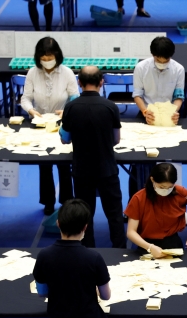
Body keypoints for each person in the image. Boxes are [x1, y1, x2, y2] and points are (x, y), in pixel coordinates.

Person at [121, 163, 187, 318]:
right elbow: (131, 232)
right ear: (152, 180)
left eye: (169, 186)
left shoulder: (179, 193)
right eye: (161, 186)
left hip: (172, 248)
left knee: (170, 304)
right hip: (145, 249)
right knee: (140, 302)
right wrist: (150, 247)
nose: (165, 190)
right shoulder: (139, 198)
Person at [60, 66, 127, 248]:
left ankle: (87, 249)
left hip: (82, 170)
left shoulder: (71, 107)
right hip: (107, 169)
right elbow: (116, 139)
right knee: (114, 214)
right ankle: (120, 249)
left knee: (84, 214)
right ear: (101, 82)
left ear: (79, 83)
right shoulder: (110, 106)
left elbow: (64, 139)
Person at [19, 37, 78, 215]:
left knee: (64, 164)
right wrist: (31, 111)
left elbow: (75, 97)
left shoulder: (67, 73)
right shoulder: (32, 73)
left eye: (49, 57)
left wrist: (66, 110)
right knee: (44, 164)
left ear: (57, 56)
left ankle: (67, 200)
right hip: (39, 123)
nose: (46, 61)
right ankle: (48, 201)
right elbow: (26, 98)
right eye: (43, 59)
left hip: (62, 123)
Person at [130, 37, 186, 197]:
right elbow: (137, 95)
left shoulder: (178, 69)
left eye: (165, 60)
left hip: (169, 118)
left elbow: (179, 96)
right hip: (146, 115)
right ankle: (134, 201)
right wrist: (145, 112)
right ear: (152, 55)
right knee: (139, 161)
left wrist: (173, 113)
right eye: (158, 60)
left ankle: (171, 200)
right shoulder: (141, 68)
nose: (162, 63)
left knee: (170, 159)